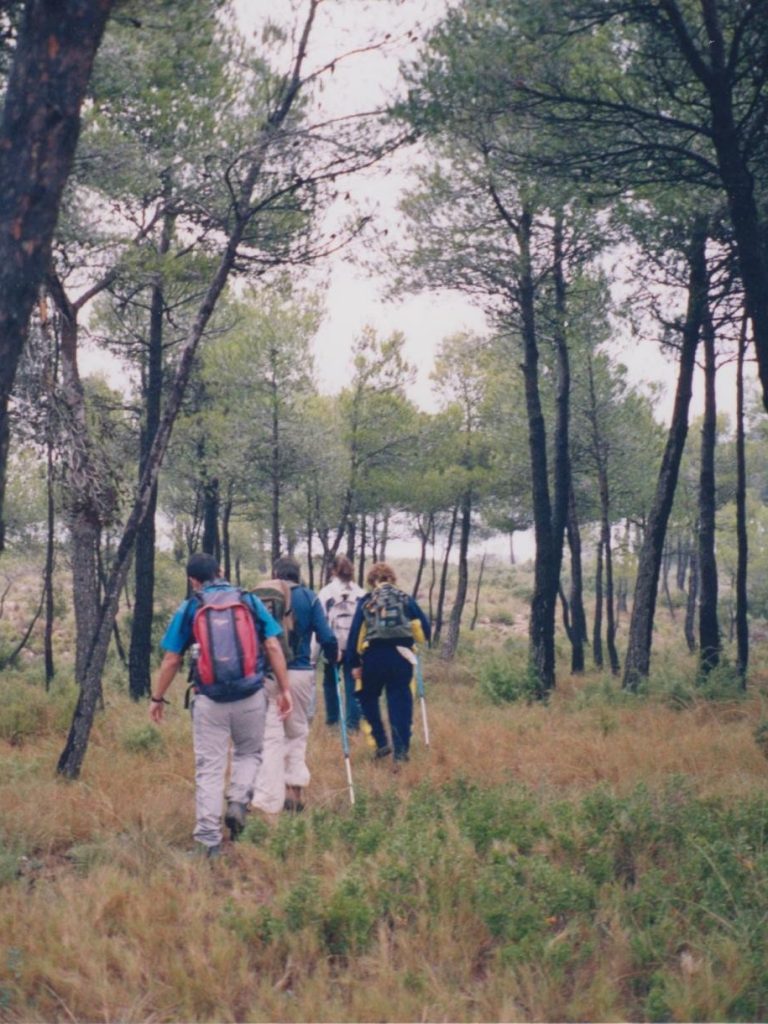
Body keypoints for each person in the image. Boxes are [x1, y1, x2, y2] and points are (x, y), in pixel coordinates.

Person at [149, 553, 292, 857]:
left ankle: (208, 841)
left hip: (209, 700)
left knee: (210, 768)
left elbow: (172, 658)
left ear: (193, 580)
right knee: (249, 753)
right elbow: (272, 645)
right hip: (251, 695)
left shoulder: (192, 607)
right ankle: (239, 801)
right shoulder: (249, 601)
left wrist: (157, 697)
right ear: (221, 571)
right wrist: (284, 689)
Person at [250, 555, 337, 814]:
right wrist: (335, 656)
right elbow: (325, 636)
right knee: (296, 732)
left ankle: (267, 800)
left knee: (270, 736)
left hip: (266, 675)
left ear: (276, 574)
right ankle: (294, 792)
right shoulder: (309, 597)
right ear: (298, 575)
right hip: (298, 673)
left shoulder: (259, 596)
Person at [346, 561, 431, 763]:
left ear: (372, 581)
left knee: (367, 697)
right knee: (400, 703)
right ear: (392, 579)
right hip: (402, 657)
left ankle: (381, 741)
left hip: (374, 657)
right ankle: (401, 753)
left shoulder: (367, 600)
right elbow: (426, 629)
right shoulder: (406, 599)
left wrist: (354, 663)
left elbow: (355, 634)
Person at [316, 554, 365, 730]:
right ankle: (353, 725)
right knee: (353, 685)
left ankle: (333, 721)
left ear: (333, 571)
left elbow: (320, 622)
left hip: (332, 646)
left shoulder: (325, 593)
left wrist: (315, 656)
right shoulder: (360, 593)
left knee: (330, 683)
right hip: (354, 648)